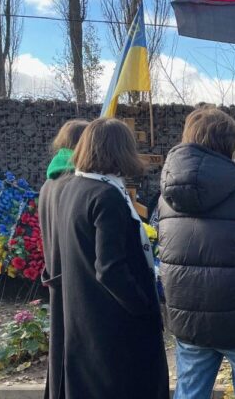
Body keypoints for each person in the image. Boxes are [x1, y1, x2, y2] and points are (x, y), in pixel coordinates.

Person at [158, 106, 235, 399]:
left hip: (188, 317)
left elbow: (168, 256)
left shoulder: (168, 200)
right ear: (230, 147)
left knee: (189, 393)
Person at [42, 117, 168, 398]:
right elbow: (110, 269)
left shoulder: (72, 189)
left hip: (83, 314)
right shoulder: (106, 196)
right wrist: (143, 306)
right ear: (119, 151)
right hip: (113, 323)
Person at [39, 119, 88, 399]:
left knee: (59, 353)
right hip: (77, 281)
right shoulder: (77, 184)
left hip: (56, 279)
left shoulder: (49, 184)